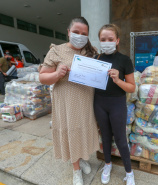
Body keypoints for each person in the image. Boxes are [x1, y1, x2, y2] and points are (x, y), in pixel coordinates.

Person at [39, 17, 99, 185]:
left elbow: (97, 75)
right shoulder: (56, 51)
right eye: (76, 32)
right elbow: (43, 77)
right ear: (68, 32)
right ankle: (76, 170)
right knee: (72, 131)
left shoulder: (91, 52)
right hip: (67, 102)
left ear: (88, 35)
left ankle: (81, 159)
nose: (80, 36)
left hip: (86, 101)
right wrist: (57, 74)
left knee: (82, 130)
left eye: (84, 34)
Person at [94, 24, 136, 185]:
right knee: (105, 136)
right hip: (99, 102)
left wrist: (118, 80)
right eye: (103, 39)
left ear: (117, 40)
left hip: (117, 103)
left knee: (120, 138)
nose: (106, 42)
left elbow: (132, 87)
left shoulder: (124, 60)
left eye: (110, 39)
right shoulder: (96, 59)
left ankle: (129, 172)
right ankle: (108, 165)